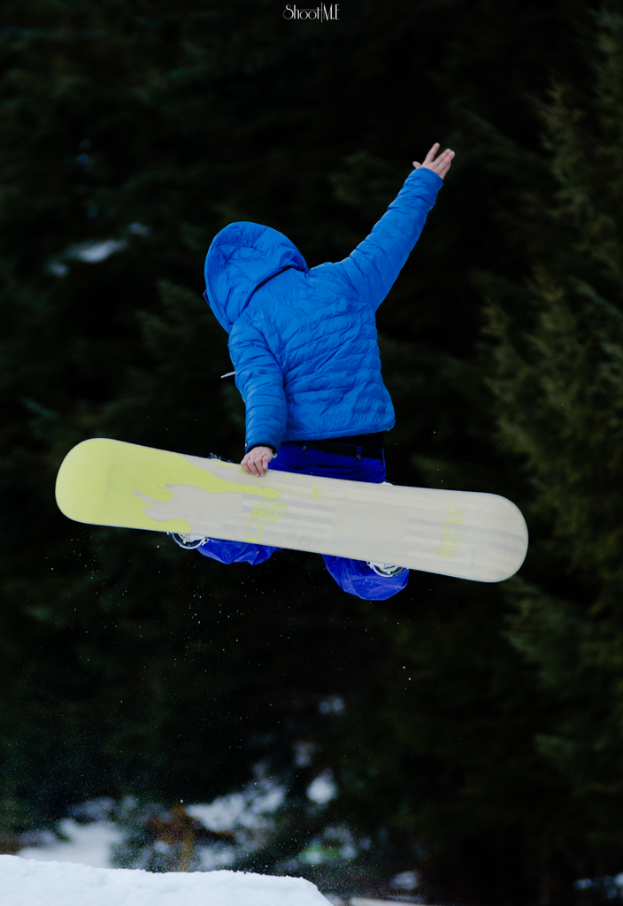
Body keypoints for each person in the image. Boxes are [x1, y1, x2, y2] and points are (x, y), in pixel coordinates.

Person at [171, 143, 454, 599]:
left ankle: (207, 526)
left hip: (296, 458)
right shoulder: (343, 280)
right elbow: (390, 239)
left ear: (222, 296)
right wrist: (423, 183)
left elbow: (264, 387)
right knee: (350, 553)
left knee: (259, 530)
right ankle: (383, 561)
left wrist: (262, 443)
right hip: (360, 456)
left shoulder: (248, 326)